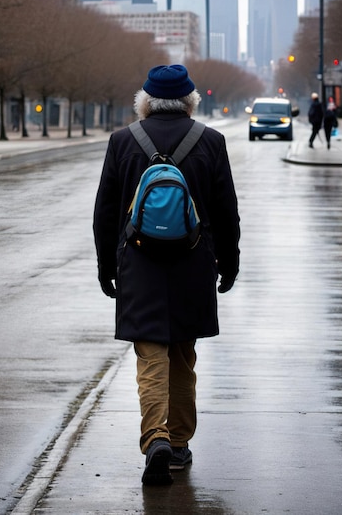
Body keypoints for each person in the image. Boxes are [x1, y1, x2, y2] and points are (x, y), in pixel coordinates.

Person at [93, 64, 240, 486]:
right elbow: (227, 212)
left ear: (145, 102)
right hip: (194, 262)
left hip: (139, 265)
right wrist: (228, 265)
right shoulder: (211, 141)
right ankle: (177, 444)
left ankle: (154, 436)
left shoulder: (123, 141)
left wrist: (107, 268)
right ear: (191, 101)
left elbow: (104, 214)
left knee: (150, 353)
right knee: (182, 354)